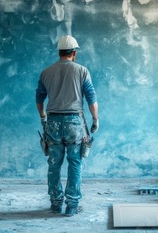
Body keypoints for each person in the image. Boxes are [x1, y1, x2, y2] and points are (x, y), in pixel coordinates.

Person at [35, 35, 99, 216]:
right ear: (74, 52)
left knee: (54, 164)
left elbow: (39, 98)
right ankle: (72, 205)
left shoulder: (46, 72)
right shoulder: (82, 71)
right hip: (74, 123)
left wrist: (43, 116)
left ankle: (56, 203)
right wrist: (95, 119)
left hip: (53, 122)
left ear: (59, 52)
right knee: (75, 163)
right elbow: (91, 99)